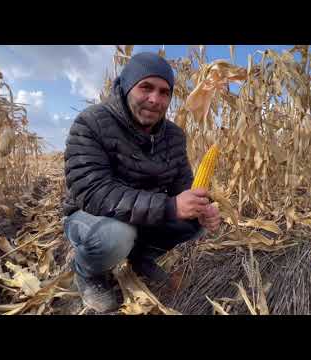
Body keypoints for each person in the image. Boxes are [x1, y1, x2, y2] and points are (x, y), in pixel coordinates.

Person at [63, 52, 221, 313]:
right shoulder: (91, 123)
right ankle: (87, 272)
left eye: (164, 92)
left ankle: (140, 258)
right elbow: (92, 191)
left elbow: (183, 185)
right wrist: (170, 207)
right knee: (116, 235)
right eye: (145, 88)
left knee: (193, 220)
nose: (155, 100)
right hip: (91, 215)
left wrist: (204, 207)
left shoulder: (173, 135)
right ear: (126, 87)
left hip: (143, 213)